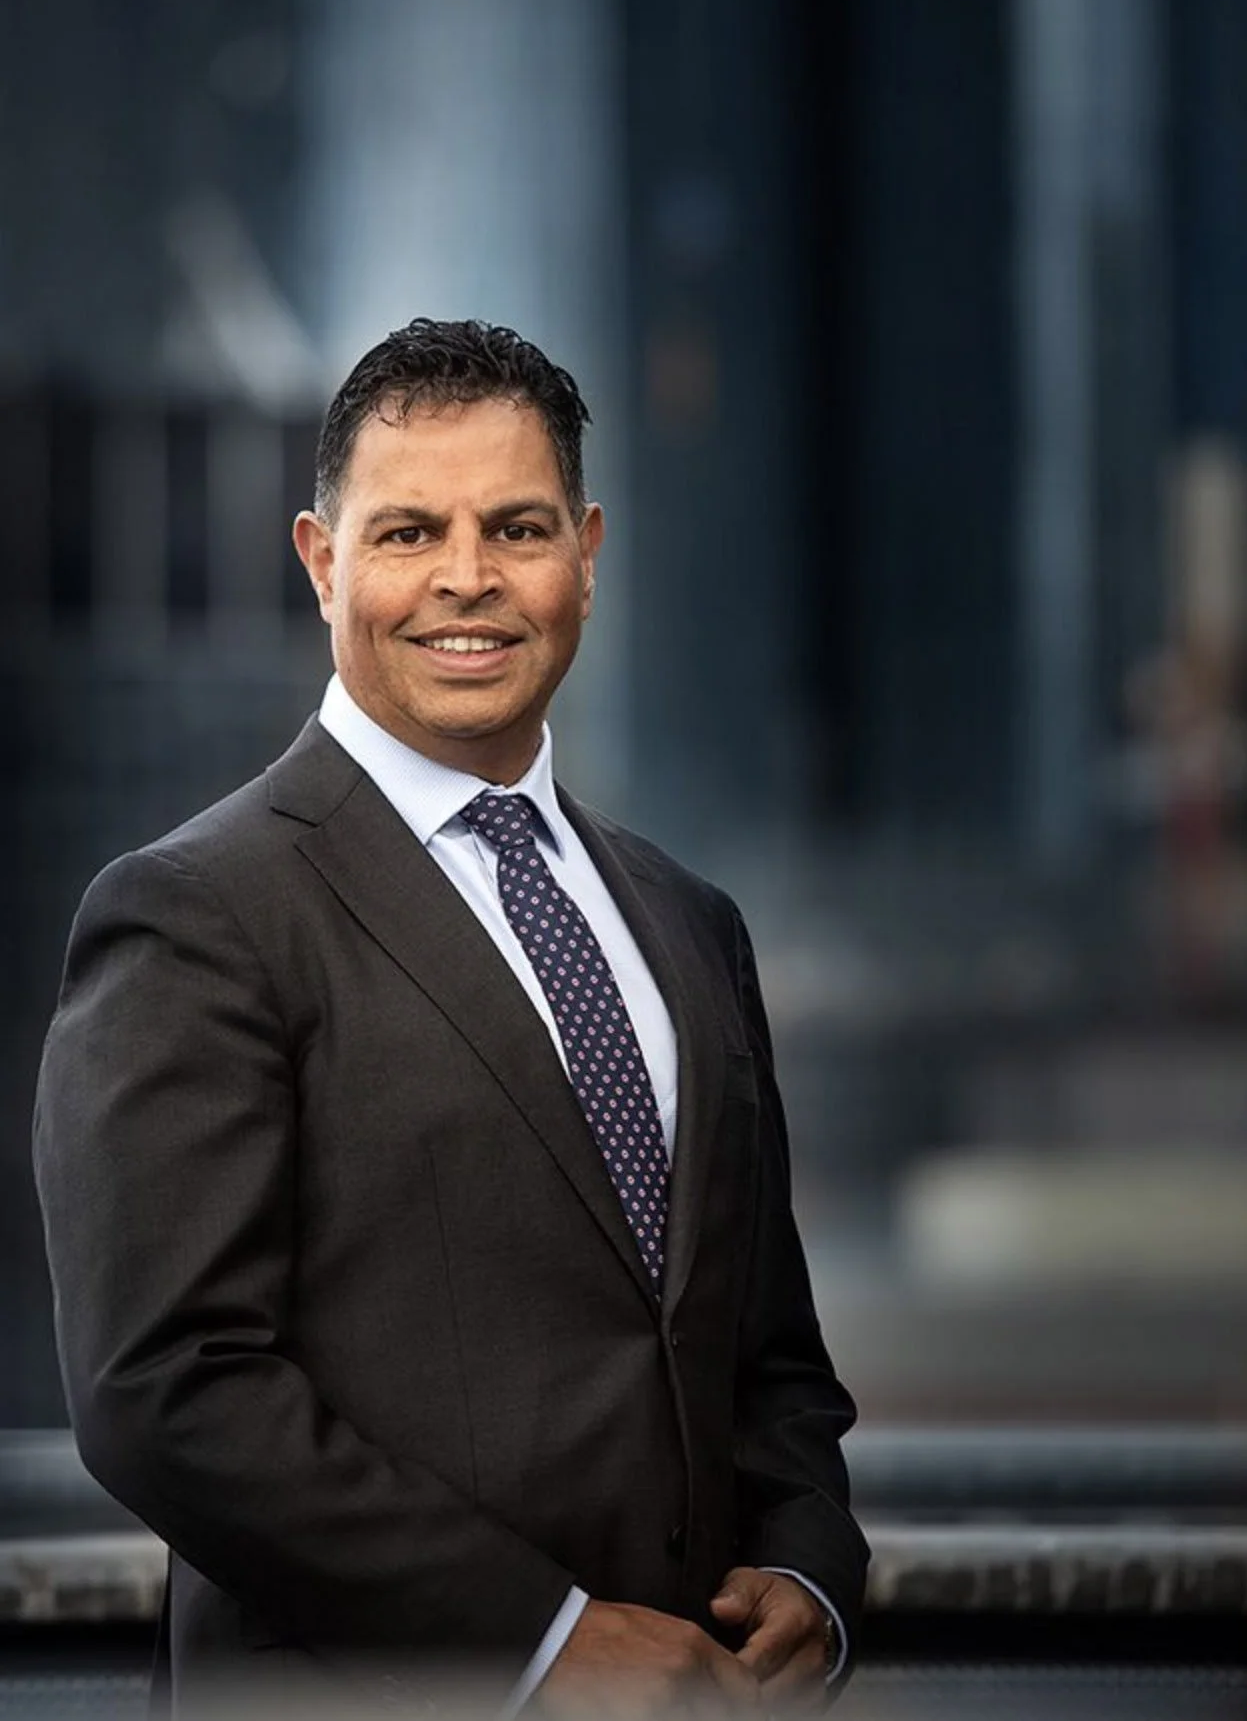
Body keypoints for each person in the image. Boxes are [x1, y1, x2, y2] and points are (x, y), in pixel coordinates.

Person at [34, 319, 869, 1717]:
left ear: (586, 556)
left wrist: (808, 1564)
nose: (468, 579)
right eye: (410, 529)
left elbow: (762, 1351)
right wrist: (540, 1639)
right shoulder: (193, 912)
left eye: (518, 527)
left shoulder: (686, 922)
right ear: (321, 560)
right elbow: (163, 1386)